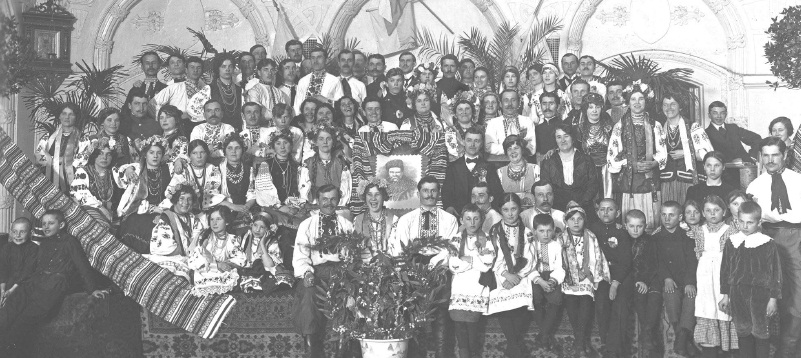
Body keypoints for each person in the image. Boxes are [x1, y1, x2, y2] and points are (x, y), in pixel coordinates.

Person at [0, 210, 107, 356]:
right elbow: (34, 268)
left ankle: (10, 351)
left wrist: (92, 289)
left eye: (51, 223)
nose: (46, 226)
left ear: (61, 224)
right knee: (11, 307)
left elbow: (83, 266)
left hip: (54, 285)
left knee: (24, 320)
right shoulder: (43, 243)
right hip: (35, 282)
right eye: (43, 223)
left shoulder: (69, 241)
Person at [746, 137, 801, 357]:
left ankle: (789, 350)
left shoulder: (799, 181)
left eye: (775, 155)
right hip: (766, 237)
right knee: (766, 294)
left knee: (797, 294)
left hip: (795, 237)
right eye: (766, 155)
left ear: (785, 155)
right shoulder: (754, 186)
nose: (770, 160)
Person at [392, 176, 459, 358]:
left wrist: (432, 265)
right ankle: (415, 354)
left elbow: (451, 248)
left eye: (433, 191)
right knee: (413, 312)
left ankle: (442, 353)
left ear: (438, 193)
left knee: (442, 312)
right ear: (418, 193)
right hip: (414, 268)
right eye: (425, 191)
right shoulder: (406, 219)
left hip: (439, 268)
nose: (430, 195)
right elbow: (401, 248)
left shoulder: (449, 219)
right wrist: (413, 269)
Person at [292, 184, 354, 357]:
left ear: (339, 200)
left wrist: (347, 273)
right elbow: (300, 255)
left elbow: (353, 256)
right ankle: (311, 349)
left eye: (333, 199)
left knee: (348, 294)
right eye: (324, 199)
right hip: (316, 271)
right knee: (308, 293)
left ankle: (342, 349)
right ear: (317, 200)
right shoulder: (307, 225)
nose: (329, 203)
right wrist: (307, 272)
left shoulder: (347, 225)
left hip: (341, 272)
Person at [720, 201, 782, 358]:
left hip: (760, 295)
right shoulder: (731, 242)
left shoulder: (768, 243)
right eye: (741, 221)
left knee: (761, 332)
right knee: (743, 331)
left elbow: (776, 273)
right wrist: (725, 295)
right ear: (737, 220)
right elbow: (725, 270)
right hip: (737, 293)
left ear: (759, 222)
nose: (745, 226)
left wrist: (773, 299)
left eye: (750, 222)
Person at [607, 82, 667, 232]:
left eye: (641, 99)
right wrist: (630, 164)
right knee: (631, 223)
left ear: (646, 101)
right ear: (628, 102)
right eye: (633, 99)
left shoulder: (655, 125)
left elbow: (662, 152)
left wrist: (653, 163)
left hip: (650, 178)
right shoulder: (619, 126)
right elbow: (612, 157)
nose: (637, 103)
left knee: (651, 222)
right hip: (629, 180)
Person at [485, 193, 535, 357]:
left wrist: (516, 276)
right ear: (500, 211)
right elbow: (492, 256)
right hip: (500, 272)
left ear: (520, 209)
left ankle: (512, 347)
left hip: (521, 273)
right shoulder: (494, 231)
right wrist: (506, 274)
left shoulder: (527, 232)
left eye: (514, 209)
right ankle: (515, 345)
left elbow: (530, 257)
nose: (510, 213)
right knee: (504, 303)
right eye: (506, 210)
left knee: (521, 303)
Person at [559, 201, 610, 358]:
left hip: (586, 278)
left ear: (584, 221)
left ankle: (579, 344)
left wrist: (591, 275)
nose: (576, 222)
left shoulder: (590, 236)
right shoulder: (561, 238)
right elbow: (559, 260)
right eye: (572, 219)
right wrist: (568, 275)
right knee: (572, 304)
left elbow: (596, 258)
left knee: (586, 304)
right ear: (566, 222)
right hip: (568, 278)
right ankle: (582, 343)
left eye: (579, 219)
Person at [692, 195, 739, 356]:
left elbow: (732, 255)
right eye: (708, 211)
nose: (712, 214)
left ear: (724, 211)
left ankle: (726, 348)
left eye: (716, 210)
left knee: (722, 305)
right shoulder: (699, 231)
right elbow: (699, 251)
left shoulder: (730, 230)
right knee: (707, 306)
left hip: (723, 270)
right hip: (705, 273)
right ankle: (709, 347)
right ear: (703, 213)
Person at [447, 204, 495, 358]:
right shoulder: (455, 238)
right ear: (462, 220)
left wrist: (467, 259)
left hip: (476, 288)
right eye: (468, 219)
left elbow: (487, 264)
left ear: (481, 220)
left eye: (476, 219)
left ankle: (473, 354)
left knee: (472, 328)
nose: (472, 223)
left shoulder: (486, 238)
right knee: (459, 327)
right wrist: (475, 261)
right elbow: (453, 264)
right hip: (459, 287)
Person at [654, 201, 698, 356]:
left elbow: (692, 262)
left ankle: (682, 336)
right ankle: (685, 339)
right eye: (664, 215)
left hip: (686, 279)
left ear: (680, 217)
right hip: (669, 280)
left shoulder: (687, 237)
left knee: (691, 298)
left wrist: (690, 282)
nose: (667, 219)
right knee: (671, 297)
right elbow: (657, 262)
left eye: (671, 215)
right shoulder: (656, 238)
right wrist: (666, 278)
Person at [116, 135, 174, 253]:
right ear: (145, 154)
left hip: (161, 210)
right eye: (151, 152)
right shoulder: (138, 169)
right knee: (134, 223)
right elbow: (120, 173)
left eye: (158, 153)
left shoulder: (168, 169)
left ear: (162, 155)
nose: (155, 156)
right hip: (138, 210)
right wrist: (128, 169)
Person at [591, 198, 632, 358]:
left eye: (610, 209)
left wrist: (615, 283)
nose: (605, 212)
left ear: (618, 212)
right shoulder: (592, 230)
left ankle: (616, 349)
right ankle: (605, 340)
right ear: (597, 212)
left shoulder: (621, 232)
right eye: (602, 209)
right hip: (600, 275)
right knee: (601, 305)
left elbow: (626, 260)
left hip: (619, 275)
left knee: (620, 306)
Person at [660, 94, 714, 204]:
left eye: (673, 104)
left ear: (680, 107)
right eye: (665, 105)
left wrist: (685, 153)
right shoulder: (659, 128)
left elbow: (708, 156)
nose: (668, 108)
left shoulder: (693, 127)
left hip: (688, 180)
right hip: (666, 181)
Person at [143, 184, 203, 282]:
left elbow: (198, 238)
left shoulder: (192, 218)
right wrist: (187, 254)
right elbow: (163, 247)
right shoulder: (165, 218)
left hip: (188, 258)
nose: (185, 203)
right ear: (175, 200)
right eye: (181, 198)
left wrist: (193, 250)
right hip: (170, 258)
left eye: (189, 199)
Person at [540, 124, 600, 215]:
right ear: (555, 140)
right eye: (559, 137)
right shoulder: (548, 161)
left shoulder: (586, 159)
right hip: (557, 209)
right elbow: (546, 187)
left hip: (584, 208)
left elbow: (593, 185)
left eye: (566, 136)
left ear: (573, 138)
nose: (563, 140)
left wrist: (579, 204)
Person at [187, 206, 247, 296]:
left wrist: (226, 264)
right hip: (205, 271)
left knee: (232, 276)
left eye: (218, 219)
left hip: (222, 272)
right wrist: (216, 264)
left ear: (226, 222)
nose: (214, 223)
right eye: (212, 219)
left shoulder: (231, 239)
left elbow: (240, 259)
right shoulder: (204, 237)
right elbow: (194, 259)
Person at [443, 127, 503, 215]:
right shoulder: (452, 167)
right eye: (469, 140)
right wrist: (449, 207)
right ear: (463, 142)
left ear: (482, 144)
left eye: (477, 141)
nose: (472, 144)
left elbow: (497, 193)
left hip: (483, 215)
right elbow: (446, 192)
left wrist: (490, 213)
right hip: (459, 215)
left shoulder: (489, 167)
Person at [627, 209, 662, 355]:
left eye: (639, 226)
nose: (635, 230)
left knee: (654, 296)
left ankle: (647, 332)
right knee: (640, 296)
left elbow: (653, 264)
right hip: (632, 279)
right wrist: (637, 281)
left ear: (645, 225)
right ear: (625, 225)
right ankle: (647, 334)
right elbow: (624, 264)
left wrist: (644, 280)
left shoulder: (650, 241)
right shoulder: (623, 240)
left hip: (648, 277)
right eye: (632, 226)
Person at [704, 101, 761, 187]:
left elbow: (757, 139)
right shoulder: (705, 134)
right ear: (709, 115)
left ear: (726, 114)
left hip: (746, 172)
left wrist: (752, 157)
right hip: (724, 176)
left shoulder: (733, 128)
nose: (719, 116)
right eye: (715, 113)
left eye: (722, 113)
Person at [529, 213, 565, 351]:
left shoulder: (556, 245)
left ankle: (543, 335)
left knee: (556, 299)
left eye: (549, 230)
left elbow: (560, 267)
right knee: (534, 298)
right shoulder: (531, 245)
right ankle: (546, 334)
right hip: (536, 276)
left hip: (552, 275)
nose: (545, 234)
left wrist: (553, 281)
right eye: (541, 231)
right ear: (535, 231)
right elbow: (529, 267)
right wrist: (540, 281)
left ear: (554, 230)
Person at [36, 103, 90, 192]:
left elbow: (83, 159)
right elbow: (39, 153)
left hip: (72, 178)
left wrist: (65, 161)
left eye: (71, 114)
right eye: (64, 114)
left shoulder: (83, 138)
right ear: (60, 116)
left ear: (76, 117)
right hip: (48, 176)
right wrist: (55, 160)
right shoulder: (48, 136)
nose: (67, 117)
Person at [70, 137, 124, 223]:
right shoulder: (83, 172)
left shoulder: (114, 172)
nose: (104, 158)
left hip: (113, 215)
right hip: (90, 214)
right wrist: (100, 208)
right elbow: (81, 195)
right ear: (94, 155)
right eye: (100, 153)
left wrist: (130, 169)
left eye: (108, 154)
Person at [570, 93, 613, 198]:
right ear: (585, 109)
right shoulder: (579, 129)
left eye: (597, 107)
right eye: (591, 107)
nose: (594, 110)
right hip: (587, 170)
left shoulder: (609, 127)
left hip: (607, 170)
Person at [187, 53, 244, 132]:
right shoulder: (209, 89)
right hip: (216, 131)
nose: (227, 69)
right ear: (218, 68)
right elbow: (192, 110)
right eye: (223, 66)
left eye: (230, 66)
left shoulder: (240, 90)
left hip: (237, 130)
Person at [238, 211, 292, 293]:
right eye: (255, 225)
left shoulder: (272, 242)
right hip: (247, 269)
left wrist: (262, 244)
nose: (257, 230)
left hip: (265, 271)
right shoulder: (244, 239)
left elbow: (269, 265)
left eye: (262, 227)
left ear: (268, 229)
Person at [298, 126, 352, 207]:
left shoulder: (340, 164)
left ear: (333, 142)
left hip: (336, 206)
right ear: (315, 142)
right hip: (314, 206)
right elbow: (304, 190)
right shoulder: (308, 164)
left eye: (328, 139)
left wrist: (340, 205)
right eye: (321, 139)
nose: (325, 142)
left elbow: (345, 190)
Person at [153, 56, 208, 128]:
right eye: (192, 67)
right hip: (179, 126)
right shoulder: (174, 87)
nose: (195, 70)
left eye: (198, 68)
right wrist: (164, 120)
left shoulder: (206, 89)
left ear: (202, 70)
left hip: (200, 126)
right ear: (186, 70)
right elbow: (153, 103)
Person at [485, 90, 537, 158]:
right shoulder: (493, 123)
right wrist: (519, 146)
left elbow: (532, 149)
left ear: (519, 103)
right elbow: (489, 147)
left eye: (513, 100)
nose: (510, 104)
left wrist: (503, 147)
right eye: (506, 100)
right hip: (499, 164)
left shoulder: (527, 121)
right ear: (500, 104)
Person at [0, 218, 38, 309]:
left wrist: (11, 291)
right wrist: (2, 291)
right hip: (6, 283)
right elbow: (3, 269)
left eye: (22, 232)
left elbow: (27, 271)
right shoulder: (6, 248)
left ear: (30, 233)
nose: (17, 235)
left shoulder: (34, 248)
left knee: (11, 303)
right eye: (14, 231)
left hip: (22, 284)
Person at [293, 47, 344, 116]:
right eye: (313, 58)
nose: (315, 61)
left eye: (319, 57)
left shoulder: (334, 81)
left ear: (326, 60)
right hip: (305, 121)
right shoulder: (303, 81)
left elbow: (340, 105)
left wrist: (325, 100)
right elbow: (297, 106)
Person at [353, 181, 397, 256]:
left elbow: (396, 249)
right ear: (365, 197)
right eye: (369, 194)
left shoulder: (393, 220)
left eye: (377, 194)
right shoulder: (358, 220)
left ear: (383, 196)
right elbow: (355, 248)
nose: (373, 198)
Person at [497, 135, 539, 204]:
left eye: (516, 148)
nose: (513, 152)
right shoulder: (500, 172)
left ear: (522, 150)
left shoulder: (535, 169)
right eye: (509, 149)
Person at [246, 59, 288, 123]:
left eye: (272, 70)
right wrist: (278, 115)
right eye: (266, 70)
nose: (269, 73)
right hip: (262, 127)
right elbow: (258, 112)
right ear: (259, 72)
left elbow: (284, 111)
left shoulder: (278, 92)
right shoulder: (254, 91)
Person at [532, 91, 564, 162]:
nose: (547, 107)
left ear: (558, 106)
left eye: (551, 104)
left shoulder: (565, 127)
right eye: (544, 104)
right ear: (540, 106)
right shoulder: (536, 129)